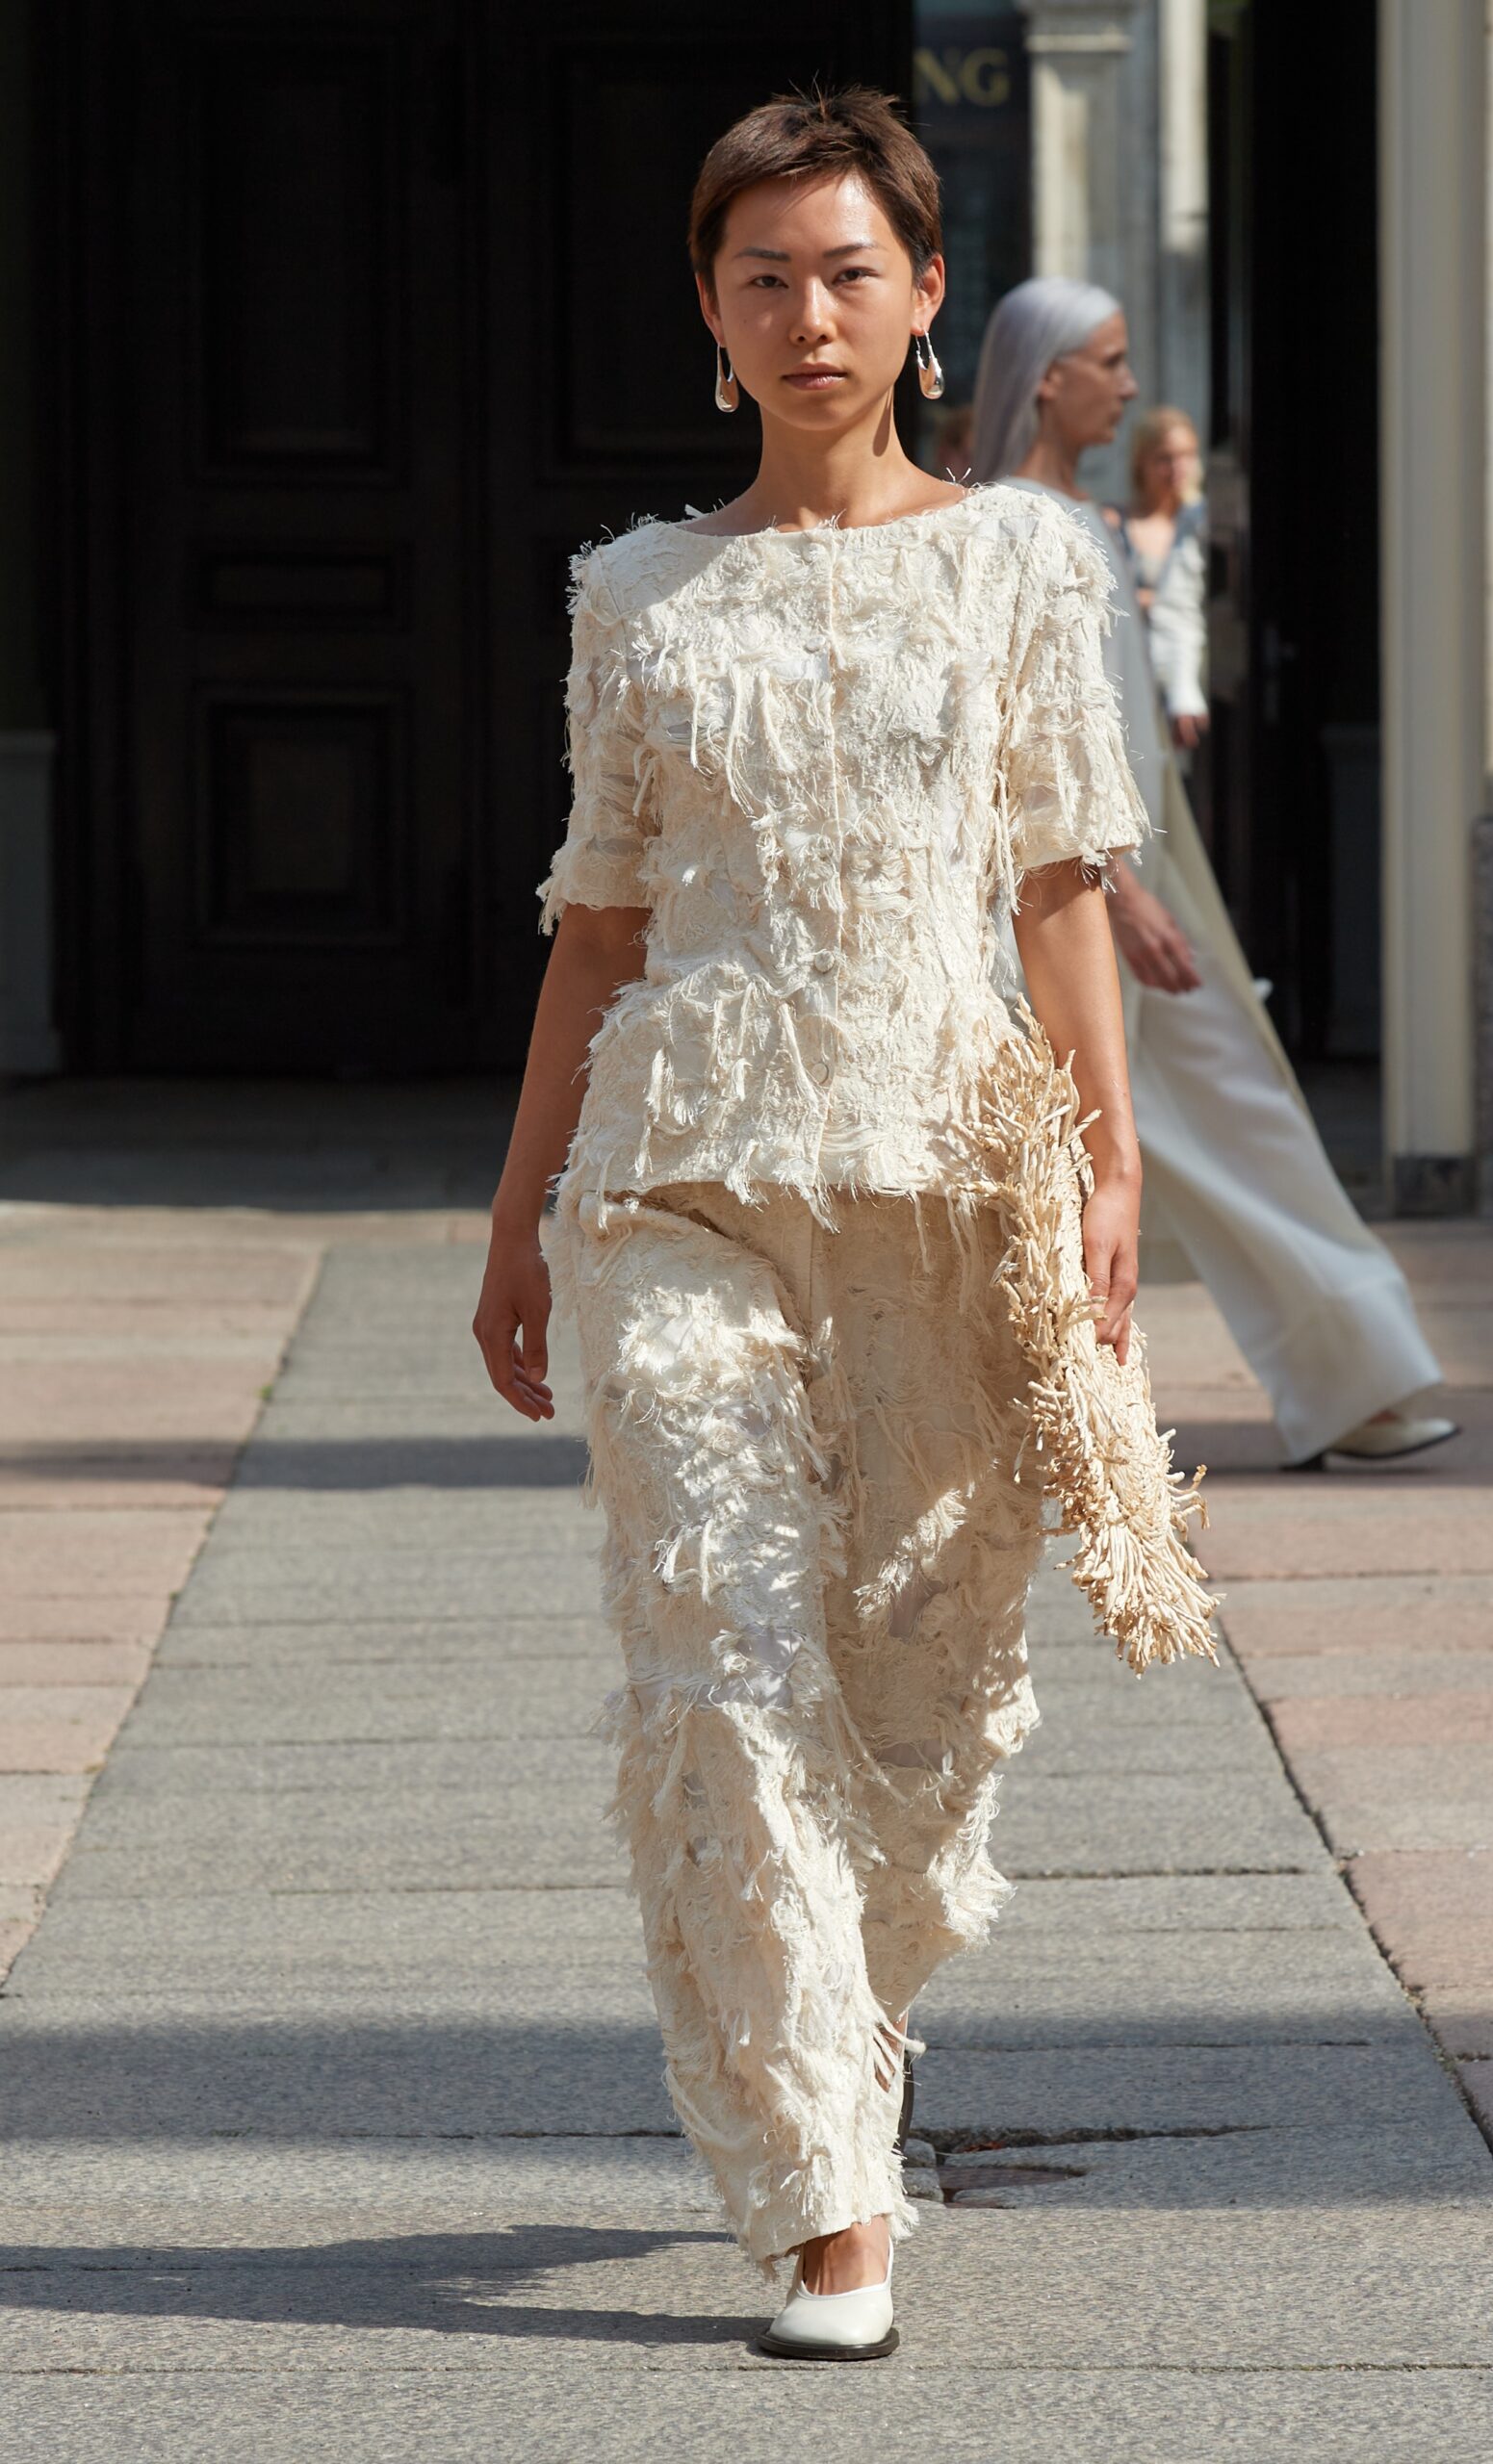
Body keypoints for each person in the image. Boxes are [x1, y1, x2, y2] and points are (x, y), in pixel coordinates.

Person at [473, 100, 1150, 2361]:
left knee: (919, 1699)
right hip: (678, 1176)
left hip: (947, 1177)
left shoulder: (1021, 572)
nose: (804, 315)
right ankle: (816, 2197)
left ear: (923, 292)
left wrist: (1106, 1160)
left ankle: (845, 2038)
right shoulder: (637, 597)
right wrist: (514, 1222)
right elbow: (593, 929)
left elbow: (1058, 883)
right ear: (706, 311)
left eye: (845, 269)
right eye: (758, 274)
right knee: (721, 1658)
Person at [970, 276, 1457, 1469]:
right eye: (1111, 361)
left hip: (1142, 872)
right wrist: (1118, 894)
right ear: (1049, 376)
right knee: (1105, 1141)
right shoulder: (1008, 531)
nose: (1132, 387)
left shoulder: (1073, 520)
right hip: (1079, 890)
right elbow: (1017, 739)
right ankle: (1345, 1379)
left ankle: (1358, 1373)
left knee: (1227, 1113)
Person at [1112, 405, 1210, 752]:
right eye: (1165, 458)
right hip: (1132, 683)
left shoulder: (1204, 524)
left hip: (1195, 679)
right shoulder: (1115, 522)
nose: (1177, 468)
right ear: (1142, 462)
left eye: (1186, 455)